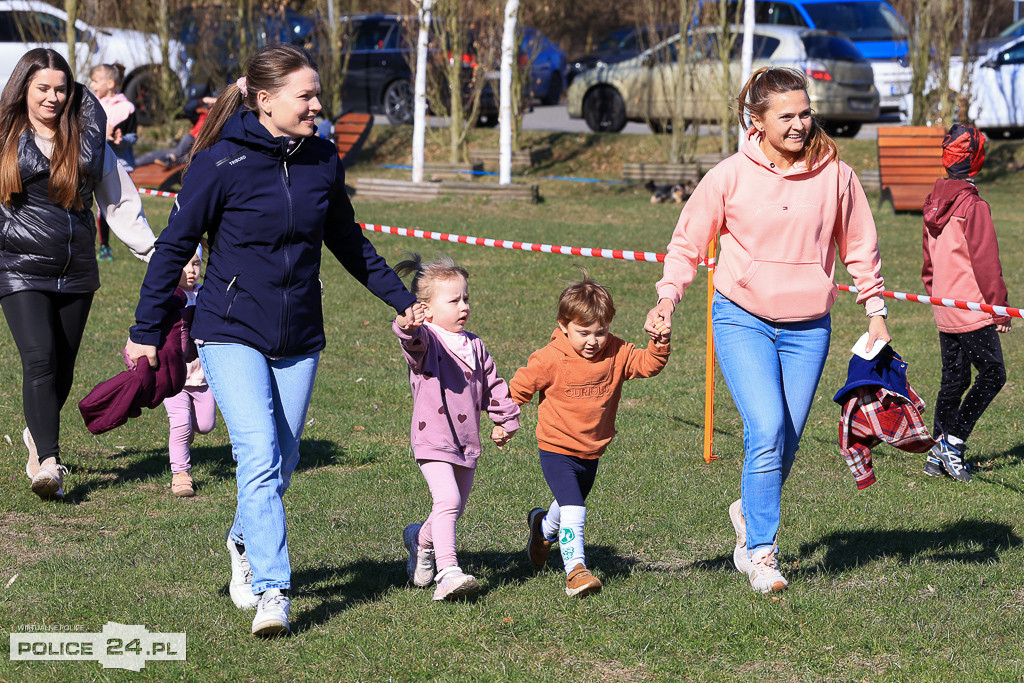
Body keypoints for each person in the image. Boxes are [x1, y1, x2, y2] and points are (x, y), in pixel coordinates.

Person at [124, 43, 418, 637]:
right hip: (229, 328)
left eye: (316, 95)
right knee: (257, 459)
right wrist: (145, 330)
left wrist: (404, 299)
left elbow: (349, 242)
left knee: (281, 465)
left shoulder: (323, 160)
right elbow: (174, 248)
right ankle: (273, 590)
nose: (317, 105)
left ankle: (242, 538)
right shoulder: (219, 161)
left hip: (300, 332)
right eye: (305, 96)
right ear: (265, 100)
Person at [644, 66, 891, 594]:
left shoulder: (837, 176)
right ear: (756, 121)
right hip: (741, 317)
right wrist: (668, 300)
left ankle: (748, 510)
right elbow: (687, 242)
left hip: (809, 327)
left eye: (806, 113)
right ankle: (761, 554)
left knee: (789, 441)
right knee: (766, 429)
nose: (800, 123)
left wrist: (876, 310)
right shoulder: (730, 175)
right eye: (787, 115)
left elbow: (859, 246)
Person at [0, 48, 156, 501]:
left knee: (62, 369)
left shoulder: (85, 139)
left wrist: (155, 252)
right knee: (40, 359)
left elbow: (119, 200)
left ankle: (36, 433)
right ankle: (48, 462)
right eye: (42, 88)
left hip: (76, 269)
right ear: (23, 89)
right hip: (18, 266)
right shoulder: (6, 136)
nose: (53, 97)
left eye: (61, 88)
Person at [511, 272, 671, 598]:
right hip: (556, 447)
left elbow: (648, 363)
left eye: (600, 332)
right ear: (563, 325)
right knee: (574, 509)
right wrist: (502, 419)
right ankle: (576, 572)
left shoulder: (616, 352)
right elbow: (518, 389)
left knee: (568, 505)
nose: (592, 341)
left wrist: (660, 342)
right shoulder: (550, 358)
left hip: (592, 450)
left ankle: (542, 529)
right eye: (583, 333)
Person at [393, 254, 520, 602]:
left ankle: (419, 541)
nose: (463, 306)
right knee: (447, 500)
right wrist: (408, 325)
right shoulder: (428, 340)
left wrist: (505, 419)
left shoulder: (475, 344)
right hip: (433, 437)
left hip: (466, 441)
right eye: (454, 300)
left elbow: (493, 384)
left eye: (466, 298)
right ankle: (448, 572)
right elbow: (411, 342)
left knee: (453, 508)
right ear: (426, 309)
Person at [921, 123, 1010, 484]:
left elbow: (927, 260)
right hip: (971, 308)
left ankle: (936, 451)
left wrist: (932, 289)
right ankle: (952, 444)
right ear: (976, 161)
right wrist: (998, 306)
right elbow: (986, 261)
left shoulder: (933, 201)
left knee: (954, 379)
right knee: (993, 374)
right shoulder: (973, 205)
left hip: (944, 303)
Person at [163, 247, 215, 498]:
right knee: (181, 423)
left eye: (196, 263)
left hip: (203, 376)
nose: (191, 270)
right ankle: (181, 474)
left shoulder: (207, 294)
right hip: (174, 377)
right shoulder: (167, 296)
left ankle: (184, 437)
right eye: (184, 265)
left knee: (205, 425)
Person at [88, 63, 137, 261]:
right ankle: (104, 246)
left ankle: (137, 243)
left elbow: (133, 137)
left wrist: (121, 140)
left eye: (95, 80)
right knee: (103, 208)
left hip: (121, 165)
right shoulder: (91, 105)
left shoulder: (127, 108)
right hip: (99, 164)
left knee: (123, 206)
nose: (91, 85)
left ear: (110, 83)